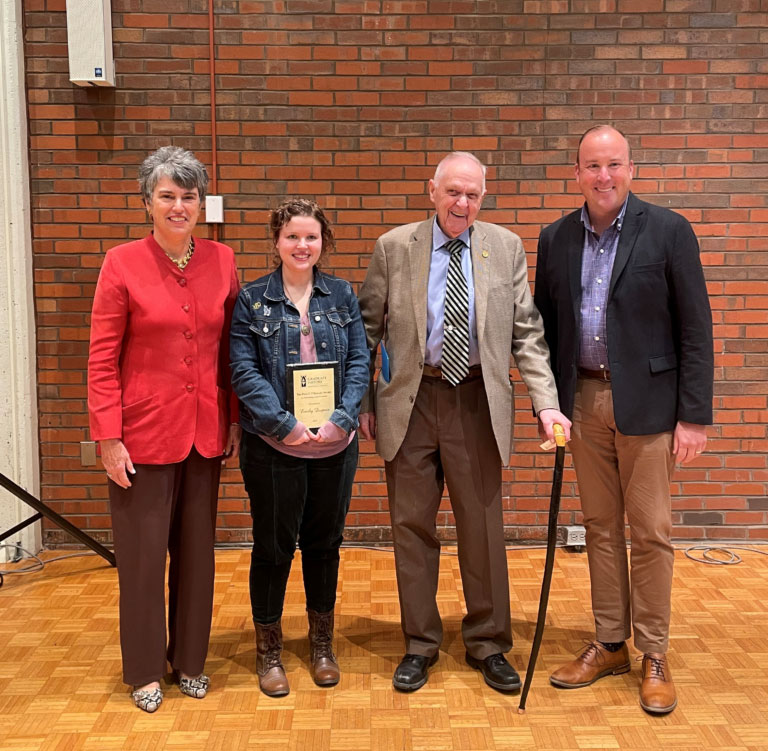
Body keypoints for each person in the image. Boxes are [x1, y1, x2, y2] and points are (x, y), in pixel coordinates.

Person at [357, 152, 570, 693]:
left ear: (483, 195)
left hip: (476, 400)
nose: (463, 203)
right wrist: (361, 402)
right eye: (453, 192)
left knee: (482, 527)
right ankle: (420, 643)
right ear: (432, 190)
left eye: (473, 194)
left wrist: (546, 402)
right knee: (411, 527)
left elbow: (527, 333)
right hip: (411, 399)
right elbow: (366, 333)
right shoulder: (393, 248)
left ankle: (489, 642)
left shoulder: (505, 248)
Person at [534, 125, 713, 714]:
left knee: (652, 532)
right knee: (600, 528)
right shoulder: (556, 237)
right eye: (592, 166)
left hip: (650, 407)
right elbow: (545, 328)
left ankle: (654, 652)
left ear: (631, 168)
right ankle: (611, 640)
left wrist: (694, 416)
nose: (603, 176)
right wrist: (549, 402)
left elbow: (695, 327)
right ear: (577, 172)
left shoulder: (668, 230)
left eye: (613, 165)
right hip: (582, 404)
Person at [87, 146, 241, 712]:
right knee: (145, 557)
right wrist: (107, 434)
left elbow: (231, 351)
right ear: (148, 202)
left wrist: (233, 418)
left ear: (201, 203)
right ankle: (146, 669)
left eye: (189, 196)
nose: (179, 206)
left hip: (205, 430)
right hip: (142, 435)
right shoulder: (121, 262)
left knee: (197, 555)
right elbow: (102, 358)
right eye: (167, 196)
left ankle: (190, 662)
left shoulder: (222, 261)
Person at [229, 199, 369, 697]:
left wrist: (341, 417)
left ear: (323, 242)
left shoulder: (342, 296)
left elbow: (359, 361)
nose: (302, 246)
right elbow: (243, 370)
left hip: (335, 446)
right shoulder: (251, 300)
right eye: (292, 237)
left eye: (310, 237)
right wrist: (282, 423)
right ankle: (269, 650)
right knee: (272, 548)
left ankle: (321, 644)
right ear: (276, 242)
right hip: (273, 447)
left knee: (324, 546)